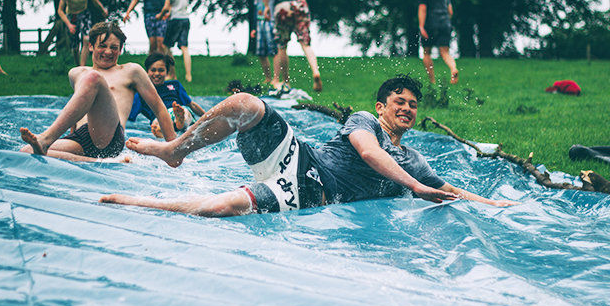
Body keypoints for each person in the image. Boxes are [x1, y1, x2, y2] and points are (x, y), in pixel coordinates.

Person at [100, 75, 518, 216]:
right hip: (301, 160)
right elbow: (369, 153)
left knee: (221, 208)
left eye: (413, 105)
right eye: (399, 103)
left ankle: (138, 203)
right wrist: (417, 187)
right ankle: (177, 149)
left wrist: (492, 205)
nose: (407, 110)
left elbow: (449, 190)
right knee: (246, 103)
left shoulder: (414, 159)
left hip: (314, 192)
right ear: (381, 107)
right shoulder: (365, 121)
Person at [20, 21, 176, 162]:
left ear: (120, 50)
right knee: (26, 151)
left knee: (93, 78)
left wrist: (173, 149)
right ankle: (98, 161)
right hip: (81, 137)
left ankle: (46, 139)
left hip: (109, 137)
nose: (108, 52)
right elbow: (79, 107)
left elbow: (159, 108)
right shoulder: (76, 73)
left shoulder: (131, 71)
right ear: (91, 46)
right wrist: (71, 133)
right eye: (102, 45)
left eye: (114, 48)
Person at [129, 52, 205, 138]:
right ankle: (165, 128)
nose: (157, 73)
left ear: (167, 72)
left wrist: (206, 116)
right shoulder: (142, 93)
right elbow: (130, 114)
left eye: (161, 70)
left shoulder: (174, 85)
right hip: (158, 118)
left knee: (185, 112)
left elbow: (191, 104)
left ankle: (179, 122)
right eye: (153, 70)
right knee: (156, 122)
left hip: (176, 110)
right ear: (147, 72)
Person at [57, 0, 109, 66]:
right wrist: (69, 25)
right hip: (71, 16)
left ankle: (83, 66)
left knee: (86, 39)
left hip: (84, 14)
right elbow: (60, 10)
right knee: (75, 46)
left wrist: (103, 10)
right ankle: (78, 66)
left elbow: (96, 2)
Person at [417, 0, 458, 85]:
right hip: (445, 23)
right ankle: (453, 68)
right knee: (445, 52)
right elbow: (450, 11)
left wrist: (421, 26)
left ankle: (432, 81)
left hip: (430, 24)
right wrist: (446, 22)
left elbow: (422, 9)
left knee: (426, 53)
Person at [157, 0, 192, 82]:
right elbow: (181, 3)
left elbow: (167, 5)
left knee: (166, 46)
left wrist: (160, 15)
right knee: (184, 47)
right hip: (185, 18)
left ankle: (172, 74)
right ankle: (188, 76)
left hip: (175, 19)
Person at [252, 0, 279, 86]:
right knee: (261, 52)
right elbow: (254, 8)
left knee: (274, 50)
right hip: (259, 22)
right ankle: (267, 77)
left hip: (271, 21)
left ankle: (276, 77)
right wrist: (253, 27)